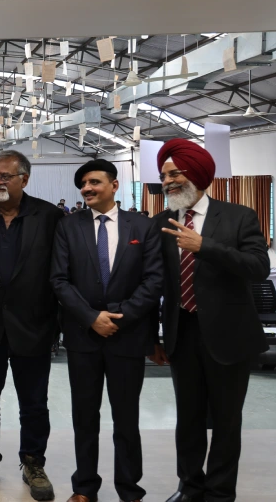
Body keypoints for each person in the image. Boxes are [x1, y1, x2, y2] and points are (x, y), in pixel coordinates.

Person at [150, 139, 270, 502]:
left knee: (226, 421)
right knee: (187, 420)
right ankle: (189, 487)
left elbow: (258, 267)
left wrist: (204, 246)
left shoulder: (239, 216)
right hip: (182, 335)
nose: (166, 181)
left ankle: (219, 493)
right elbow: (155, 284)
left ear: (197, 174)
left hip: (230, 338)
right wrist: (152, 338)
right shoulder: (162, 223)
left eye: (174, 174)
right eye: (163, 176)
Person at [50, 159, 163, 502]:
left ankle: (129, 489)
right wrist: (90, 317)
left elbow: (153, 279)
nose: (87, 188)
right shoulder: (68, 227)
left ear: (114, 185)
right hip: (83, 337)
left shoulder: (142, 226)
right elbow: (59, 280)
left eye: (94, 182)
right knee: (85, 416)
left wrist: (118, 317)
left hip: (127, 336)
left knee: (126, 418)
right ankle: (84, 487)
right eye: (83, 184)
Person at [0, 150, 62, 500]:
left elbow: (59, 271)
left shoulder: (48, 216)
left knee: (34, 402)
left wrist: (57, 322)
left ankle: (33, 462)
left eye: (6, 176)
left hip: (33, 326)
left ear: (25, 179)